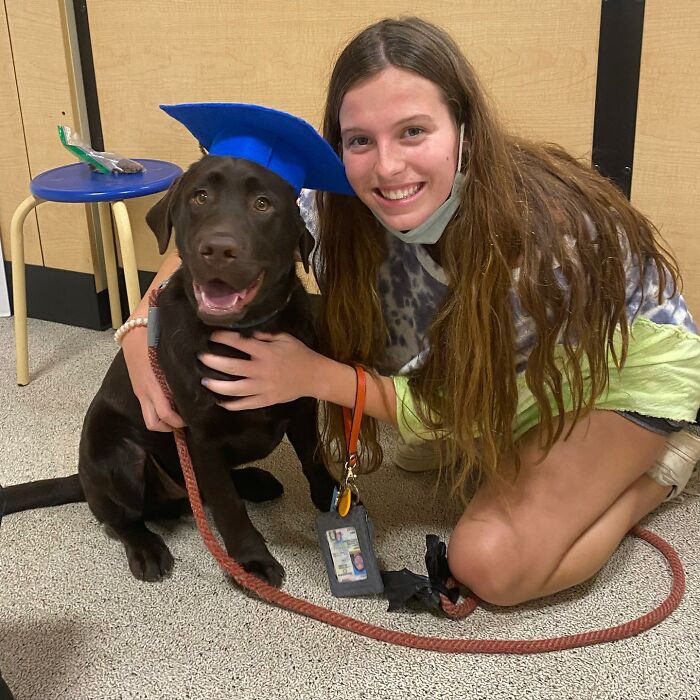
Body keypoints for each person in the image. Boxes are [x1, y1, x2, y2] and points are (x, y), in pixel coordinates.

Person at [120, 17, 700, 606]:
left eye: (414, 131)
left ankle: (659, 473)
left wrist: (310, 375)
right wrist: (139, 331)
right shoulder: (335, 201)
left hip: (617, 372)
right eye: (360, 140)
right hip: (510, 373)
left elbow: (453, 408)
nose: (388, 167)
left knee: (488, 564)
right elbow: (225, 234)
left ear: (464, 129)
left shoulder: (535, 241)